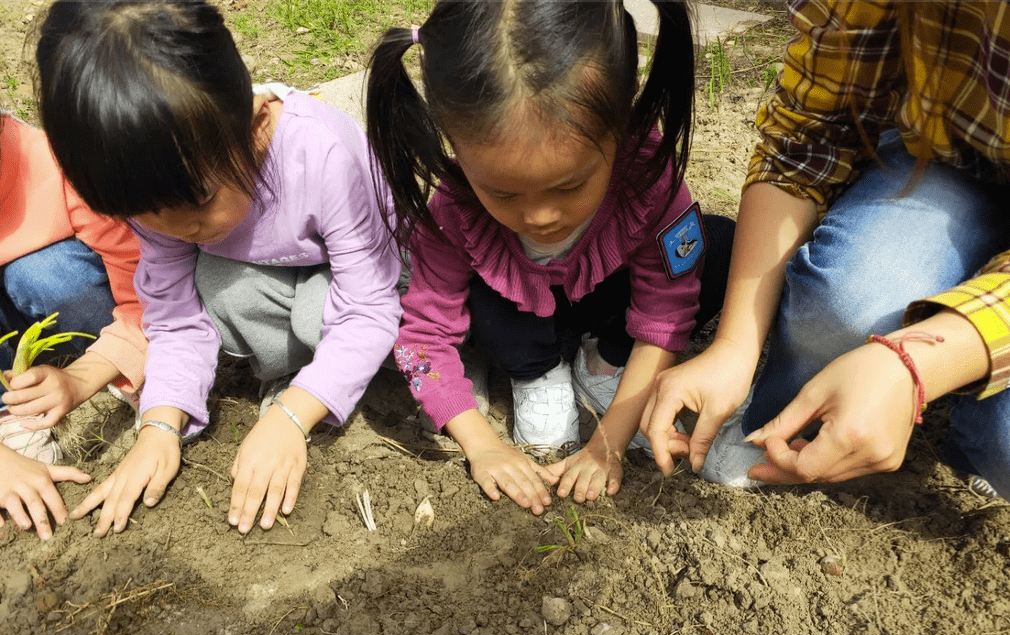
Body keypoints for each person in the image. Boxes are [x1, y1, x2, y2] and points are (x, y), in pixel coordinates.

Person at [35, 0, 402, 536]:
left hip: (384, 273)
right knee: (218, 286)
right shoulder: (153, 186)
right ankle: (304, 377)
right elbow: (175, 315)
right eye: (145, 217)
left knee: (320, 315)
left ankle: (365, 376)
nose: (178, 230)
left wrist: (292, 416)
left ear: (253, 128)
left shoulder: (320, 152)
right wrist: (159, 424)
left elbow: (369, 301)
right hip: (283, 278)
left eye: (200, 203)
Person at [366, 0, 733, 515]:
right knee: (491, 308)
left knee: (720, 247)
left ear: (621, 121)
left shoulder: (648, 177)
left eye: (570, 185)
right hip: (515, 321)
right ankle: (535, 372)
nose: (540, 218)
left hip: (607, 301)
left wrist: (608, 442)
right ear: (456, 147)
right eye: (504, 194)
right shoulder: (452, 210)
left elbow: (667, 307)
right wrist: (481, 444)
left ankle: (605, 360)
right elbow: (423, 340)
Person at [641, 0, 1010, 498]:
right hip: (948, 154)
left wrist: (916, 367)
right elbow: (807, 137)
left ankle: (974, 424)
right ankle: (783, 419)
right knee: (846, 306)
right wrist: (735, 345)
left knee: (1002, 445)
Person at [0, 111, 147, 540]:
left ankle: (122, 365)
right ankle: (10, 412)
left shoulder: (63, 166)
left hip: (62, 297)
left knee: (47, 274)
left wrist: (85, 377)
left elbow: (147, 297)